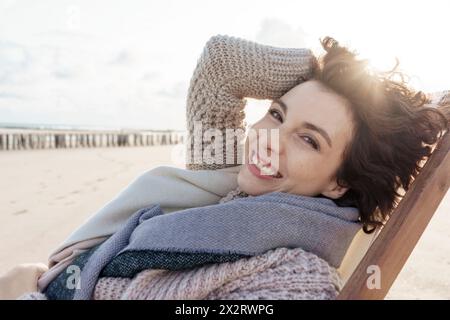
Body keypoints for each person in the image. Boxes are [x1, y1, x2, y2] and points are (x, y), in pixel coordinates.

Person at [4, 34, 449, 300]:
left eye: (309, 139)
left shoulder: (294, 277)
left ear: (340, 182)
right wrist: (335, 74)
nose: (270, 141)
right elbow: (221, 63)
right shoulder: (222, 176)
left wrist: (23, 288)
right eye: (276, 114)